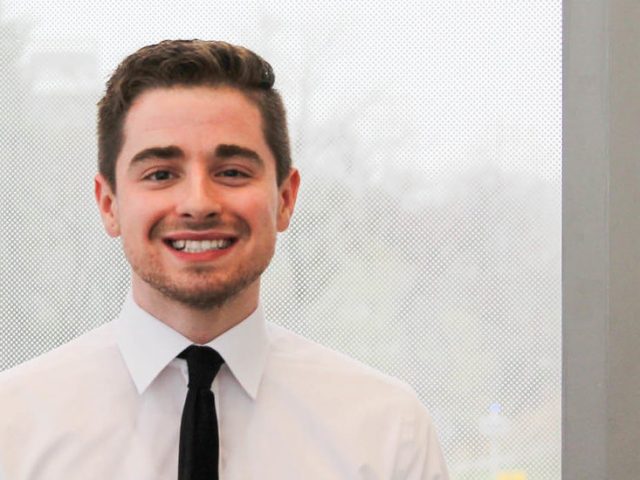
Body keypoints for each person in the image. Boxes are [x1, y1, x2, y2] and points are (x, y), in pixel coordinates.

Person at [0, 40, 448, 479]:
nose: (198, 203)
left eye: (232, 172)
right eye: (160, 174)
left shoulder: (388, 432)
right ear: (109, 204)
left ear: (286, 198)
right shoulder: (13, 426)